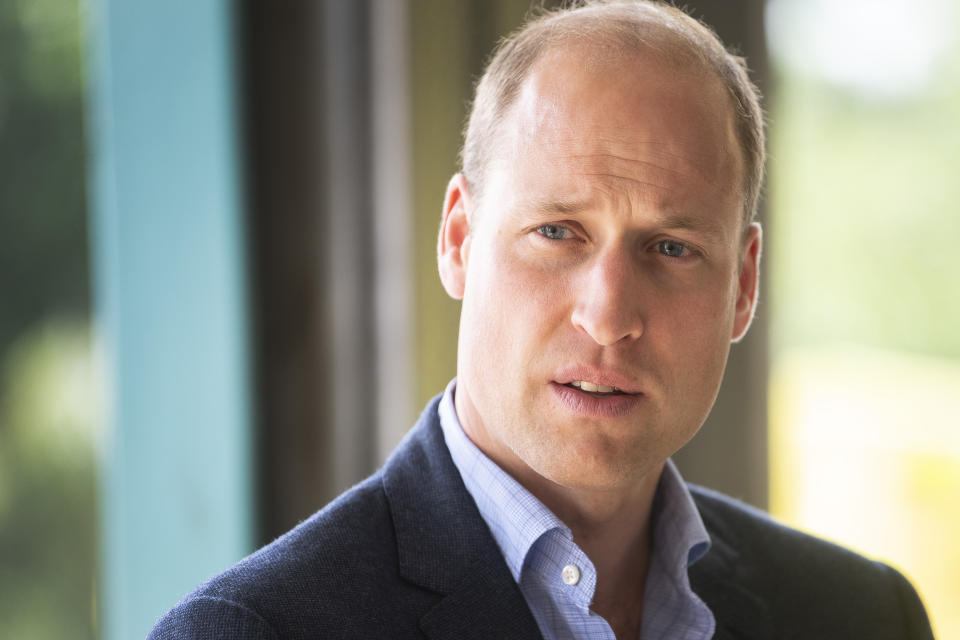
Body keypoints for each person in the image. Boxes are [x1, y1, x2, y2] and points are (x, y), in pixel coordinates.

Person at [150, 2, 935, 638]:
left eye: (671, 247)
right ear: (458, 240)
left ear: (743, 286)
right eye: (557, 232)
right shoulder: (251, 631)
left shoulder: (863, 615)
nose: (608, 316)